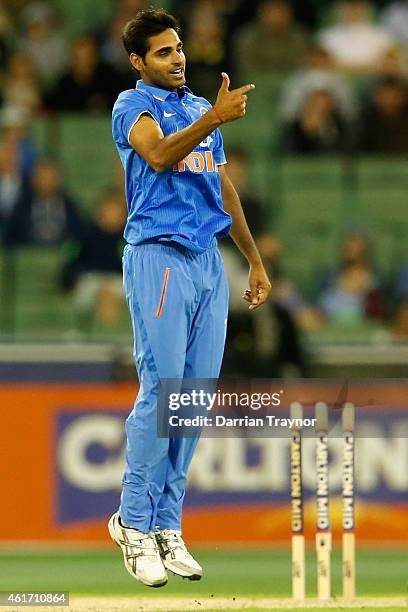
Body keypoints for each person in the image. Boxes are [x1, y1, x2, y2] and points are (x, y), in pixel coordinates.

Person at [109, 8, 271, 589]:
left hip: (207, 261)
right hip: (158, 256)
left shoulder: (202, 108)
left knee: (194, 398)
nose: (177, 57)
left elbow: (220, 185)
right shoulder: (132, 107)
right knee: (162, 388)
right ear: (138, 62)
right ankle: (132, 522)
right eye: (162, 52)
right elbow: (158, 154)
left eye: (178, 48)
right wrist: (216, 119)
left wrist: (251, 258)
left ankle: (167, 525)